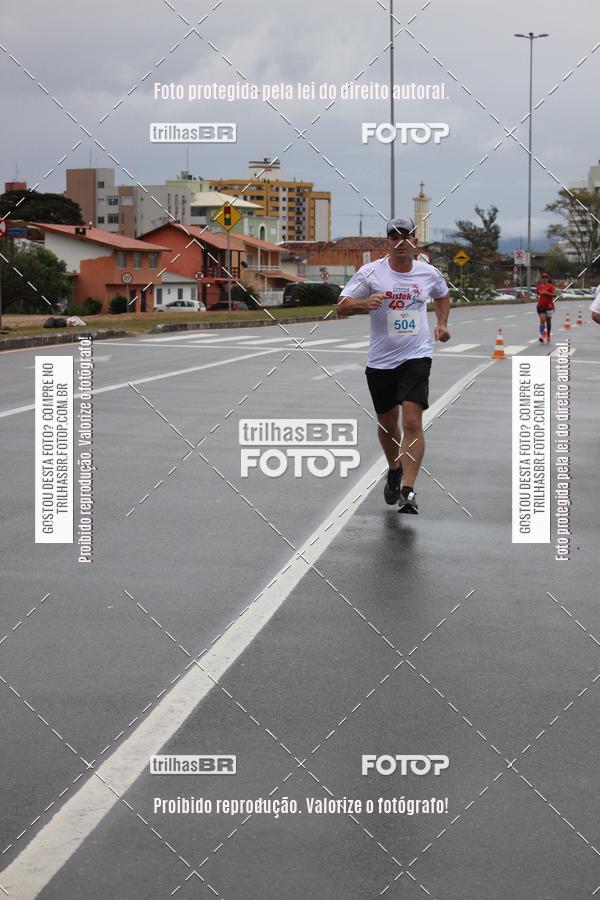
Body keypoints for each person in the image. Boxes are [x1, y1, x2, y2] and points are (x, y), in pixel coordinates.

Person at [337, 217, 450, 514]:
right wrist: (364, 304)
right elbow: (341, 306)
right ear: (387, 243)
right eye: (394, 237)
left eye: (407, 236)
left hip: (417, 355)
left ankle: (409, 491)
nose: (401, 242)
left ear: (415, 241)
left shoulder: (429, 273)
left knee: (412, 421)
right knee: (388, 424)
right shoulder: (371, 272)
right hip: (381, 361)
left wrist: (441, 323)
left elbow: (442, 294)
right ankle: (394, 467)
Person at [535, 273, 556, 343]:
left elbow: (555, 295)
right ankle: (542, 335)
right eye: (543, 278)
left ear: (547, 279)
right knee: (542, 320)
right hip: (541, 306)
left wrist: (546, 293)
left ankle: (548, 334)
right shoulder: (538, 287)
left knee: (548, 322)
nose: (544, 279)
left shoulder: (551, 286)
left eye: (546, 278)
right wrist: (538, 299)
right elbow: (537, 294)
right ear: (541, 279)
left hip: (549, 306)